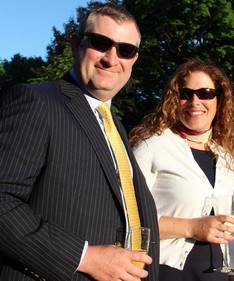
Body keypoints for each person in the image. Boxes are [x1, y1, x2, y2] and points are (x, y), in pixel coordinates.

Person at [0, 3, 159, 280]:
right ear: (76, 44)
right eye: (100, 43)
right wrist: (83, 257)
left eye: (125, 50)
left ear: (134, 59)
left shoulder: (114, 126)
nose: (112, 58)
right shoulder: (36, 101)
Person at [129, 59, 234, 281]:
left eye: (206, 93)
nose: (195, 101)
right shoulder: (152, 147)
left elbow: (231, 227)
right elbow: (128, 218)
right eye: (185, 93)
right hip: (166, 273)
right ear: (174, 100)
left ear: (219, 99)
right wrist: (192, 227)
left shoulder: (227, 156)